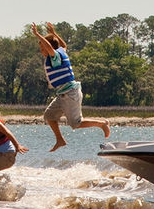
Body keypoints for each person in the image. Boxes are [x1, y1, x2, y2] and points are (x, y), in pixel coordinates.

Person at [32, 22, 110, 152]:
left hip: (70, 94)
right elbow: (64, 45)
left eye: (42, 48)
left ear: (49, 47)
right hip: (63, 94)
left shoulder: (55, 56)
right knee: (49, 115)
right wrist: (54, 32)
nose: (42, 51)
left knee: (76, 124)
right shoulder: (61, 51)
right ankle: (60, 140)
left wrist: (37, 34)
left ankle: (102, 124)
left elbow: (51, 47)